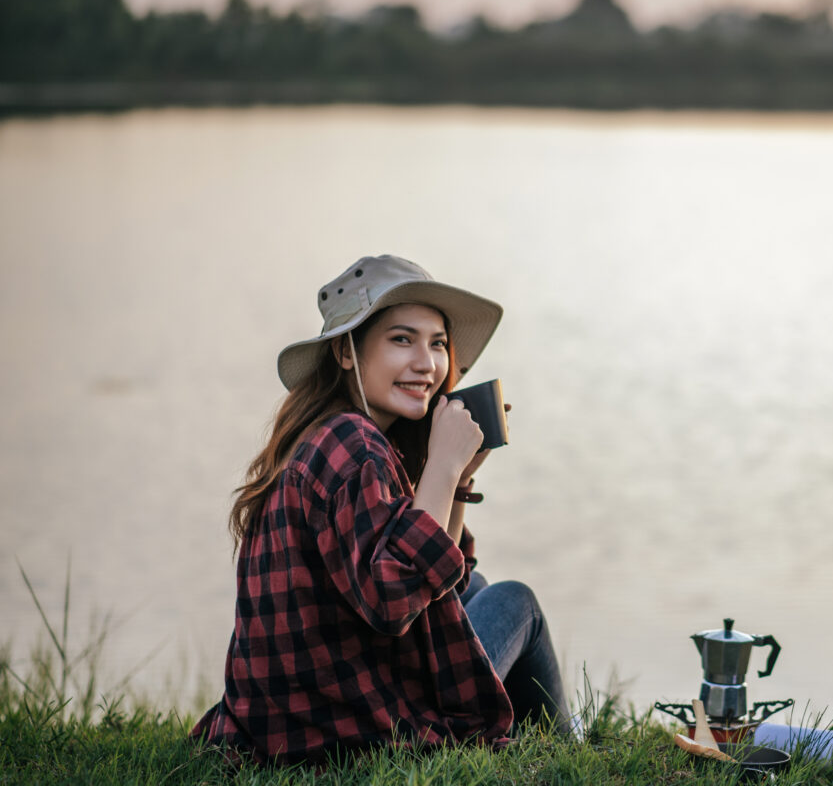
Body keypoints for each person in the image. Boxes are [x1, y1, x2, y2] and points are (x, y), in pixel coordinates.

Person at [191, 255, 566, 765]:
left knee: (473, 589)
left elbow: (441, 582)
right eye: (401, 339)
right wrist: (440, 465)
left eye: (437, 343)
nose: (427, 364)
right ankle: (569, 747)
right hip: (353, 730)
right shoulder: (355, 444)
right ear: (347, 352)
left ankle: (536, 739)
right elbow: (395, 600)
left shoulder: (326, 432)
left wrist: (456, 477)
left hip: (290, 717)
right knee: (516, 601)